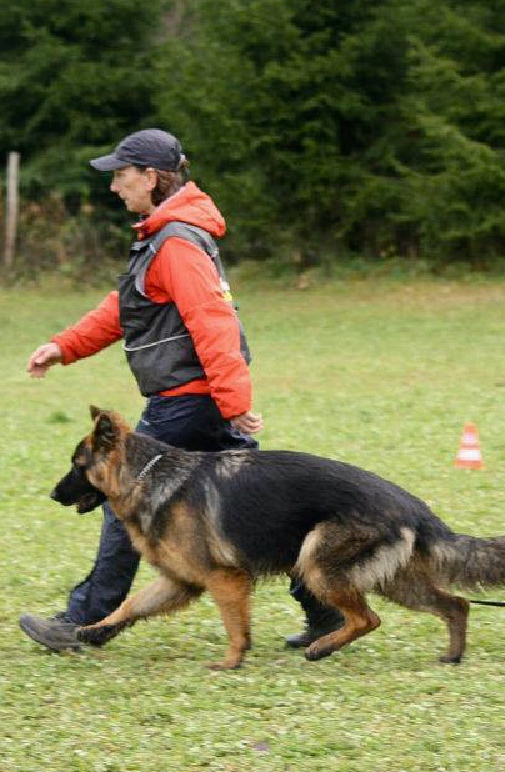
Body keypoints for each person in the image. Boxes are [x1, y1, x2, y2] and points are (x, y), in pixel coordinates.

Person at [19, 128, 342, 652]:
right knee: (266, 506)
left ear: (150, 176)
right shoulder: (164, 235)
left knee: (122, 498)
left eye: (121, 176)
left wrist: (234, 404)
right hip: (199, 399)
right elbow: (127, 307)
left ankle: (84, 621)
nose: (114, 188)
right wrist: (65, 346)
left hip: (187, 403)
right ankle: (324, 610)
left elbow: (214, 323)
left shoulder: (176, 242)